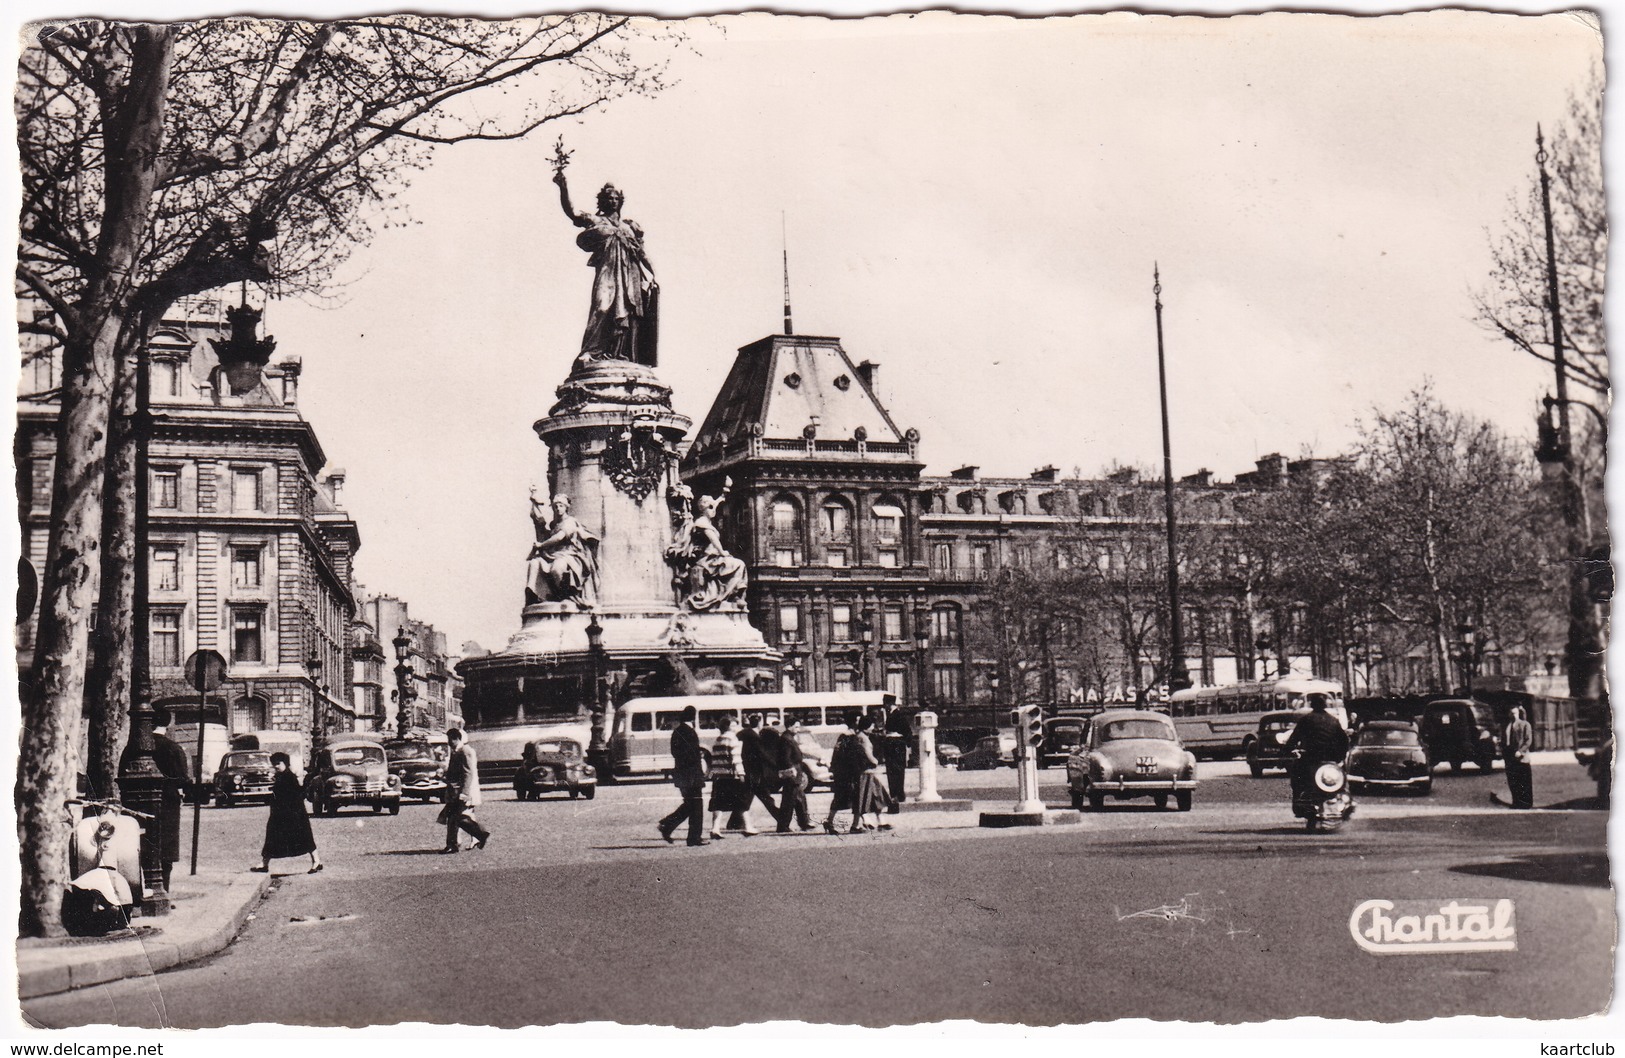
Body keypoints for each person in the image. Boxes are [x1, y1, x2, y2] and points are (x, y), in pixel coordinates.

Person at [553, 167, 659, 367]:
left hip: (631, 275)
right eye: (608, 198)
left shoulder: (630, 228)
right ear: (601, 201)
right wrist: (563, 187)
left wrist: (653, 273)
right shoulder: (597, 220)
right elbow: (572, 212)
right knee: (602, 307)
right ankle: (591, 352)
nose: (612, 201)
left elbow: (642, 253)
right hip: (608, 273)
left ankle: (619, 354)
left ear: (620, 202)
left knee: (628, 313)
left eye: (615, 199)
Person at [118, 731, 189, 888]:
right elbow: (182, 778)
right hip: (167, 805)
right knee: (165, 850)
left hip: (134, 804)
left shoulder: (131, 748)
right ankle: (163, 888)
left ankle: (139, 889)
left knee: (139, 846)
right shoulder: (172, 748)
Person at [526, 491, 600, 607]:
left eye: (561, 506)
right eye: (555, 506)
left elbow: (559, 537)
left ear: (566, 508)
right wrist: (535, 509)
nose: (558, 509)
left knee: (557, 567)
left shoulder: (570, 522)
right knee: (535, 563)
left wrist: (541, 545)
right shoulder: (554, 525)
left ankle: (568, 595)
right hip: (554, 554)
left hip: (569, 554)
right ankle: (532, 595)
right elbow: (544, 529)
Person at [252, 752, 321, 874]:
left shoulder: (289, 777)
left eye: (278, 763)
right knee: (272, 838)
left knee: (304, 837)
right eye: (274, 764)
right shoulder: (281, 776)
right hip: (281, 814)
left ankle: (316, 861)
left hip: (293, 814)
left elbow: (297, 795)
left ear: (285, 763)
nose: (276, 766)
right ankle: (264, 863)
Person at [1284, 692, 1350, 808]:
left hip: (1311, 757)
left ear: (1312, 705)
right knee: (1341, 777)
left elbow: (1294, 738)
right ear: (1325, 705)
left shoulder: (1306, 719)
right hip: (1331, 758)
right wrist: (1340, 757)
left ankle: (1299, 800)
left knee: (1297, 774)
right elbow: (1344, 740)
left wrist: (1287, 749)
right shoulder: (1333, 720)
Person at [658, 705, 709, 846]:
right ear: (693, 717)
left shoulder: (677, 732)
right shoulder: (690, 732)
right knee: (696, 806)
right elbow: (691, 754)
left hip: (681, 774)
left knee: (690, 804)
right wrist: (698, 755)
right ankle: (693, 837)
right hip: (692, 774)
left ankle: (667, 825)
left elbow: (676, 752)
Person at [706, 715, 759, 838]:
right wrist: (741, 773)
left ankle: (715, 828)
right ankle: (747, 827)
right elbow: (736, 759)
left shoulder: (717, 740)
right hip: (732, 776)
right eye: (734, 725)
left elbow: (714, 759)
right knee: (741, 802)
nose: (737, 727)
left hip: (719, 776)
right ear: (728, 727)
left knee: (717, 803)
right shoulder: (733, 740)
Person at [442, 729, 491, 853]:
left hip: (461, 791)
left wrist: (464, 793)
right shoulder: (457, 751)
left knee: (458, 817)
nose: (448, 742)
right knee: (453, 817)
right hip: (455, 790)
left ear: (456, 738)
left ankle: (480, 834)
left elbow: (468, 773)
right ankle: (452, 844)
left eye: (449, 739)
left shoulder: (465, 751)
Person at [731, 713, 781, 830]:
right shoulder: (755, 736)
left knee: (746, 799)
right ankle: (781, 819)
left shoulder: (741, 734)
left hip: (746, 772)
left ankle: (734, 823)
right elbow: (761, 754)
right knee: (766, 799)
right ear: (758, 723)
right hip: (755, 773)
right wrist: (775, 765)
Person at [851, 713, 896, 832]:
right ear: (866, 726)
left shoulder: (859, 736)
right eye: (871, 725)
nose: (873, 728)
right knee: (863, 798)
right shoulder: (863, 738)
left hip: (867, 772)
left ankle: (879, 821)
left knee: (875, 797)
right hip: (865, 772)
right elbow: (867, 753)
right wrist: (875, 761)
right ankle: (857, 824)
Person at [824, 714, 863, 834]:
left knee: (839, 797)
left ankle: (829, 821)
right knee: (856, 797)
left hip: (841, 773)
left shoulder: (842, 737)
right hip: (851, 773)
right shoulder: (853, 738)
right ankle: (855, 825)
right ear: (854, 722)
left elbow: (836, 755)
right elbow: (854, 758)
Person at [774, 719, 815, 833]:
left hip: (795, 771)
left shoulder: (788, 738)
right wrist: (792, 770)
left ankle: (804, 822)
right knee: (789, 800)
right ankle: (783, 826)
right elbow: (785, 758)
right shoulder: (786, 739)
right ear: (789, 727)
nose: (798, 729)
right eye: (796, 727)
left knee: (799, 798)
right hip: (792, 772)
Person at [1502, 705, 1535, 809]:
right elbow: (1504, 741)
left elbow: (1528, 740)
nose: (1513, 716)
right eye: (1511, 713)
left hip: (1521, 758)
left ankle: (1526, 803)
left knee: (1524, 781)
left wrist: (1521, 751)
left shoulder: (1525, 724)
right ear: (1508, 714)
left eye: (1515, 713)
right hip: (1510, 758)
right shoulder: (1506, 726)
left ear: (1519, 713)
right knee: (1513, 781)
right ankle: (1516, 802)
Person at [880, 702, 912, 811]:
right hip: (897, 745)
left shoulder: (896, 715)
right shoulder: (896, 714)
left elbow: (906, 731)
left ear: (890, 704)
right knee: (897, 770)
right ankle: (897, 794)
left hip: (895, 745)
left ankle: (896, 795)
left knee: (894, 771)